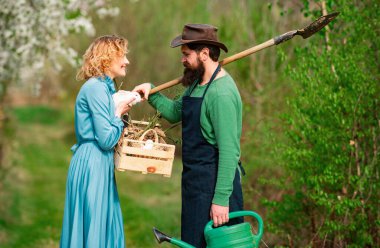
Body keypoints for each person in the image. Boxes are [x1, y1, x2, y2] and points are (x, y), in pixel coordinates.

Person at [134, 24, 244, 248]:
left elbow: (230, 151)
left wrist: (221, 200)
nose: (182, 60)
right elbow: (176, 112)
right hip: (195, 185)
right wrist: (151, 91)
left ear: (204, 54)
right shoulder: (197, 84)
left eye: (186, 55)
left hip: (215, 189)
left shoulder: (221, 93)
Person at [60, 35, 134, 248]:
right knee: (93, 228)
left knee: (104, 225)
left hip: (99, 163)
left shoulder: (105, 87)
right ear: (106, 58)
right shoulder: (95, 88)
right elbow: (106, 139)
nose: (127, 61)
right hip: (92, 163)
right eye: (122, 55)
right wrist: (119, 112)